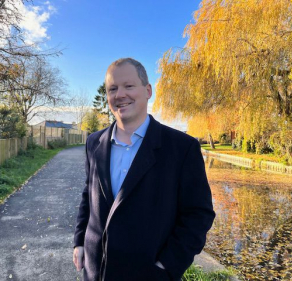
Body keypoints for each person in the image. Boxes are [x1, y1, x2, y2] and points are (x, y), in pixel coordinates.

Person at [73, 58, 215, 281]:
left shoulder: (182, 148)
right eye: (113, 88)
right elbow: (88, 195)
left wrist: (167, 265)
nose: (120, 94)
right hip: (96, 271)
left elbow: (198, 214)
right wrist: (80, 240)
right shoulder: (94, 142)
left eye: (129, 86)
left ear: (148, 90)